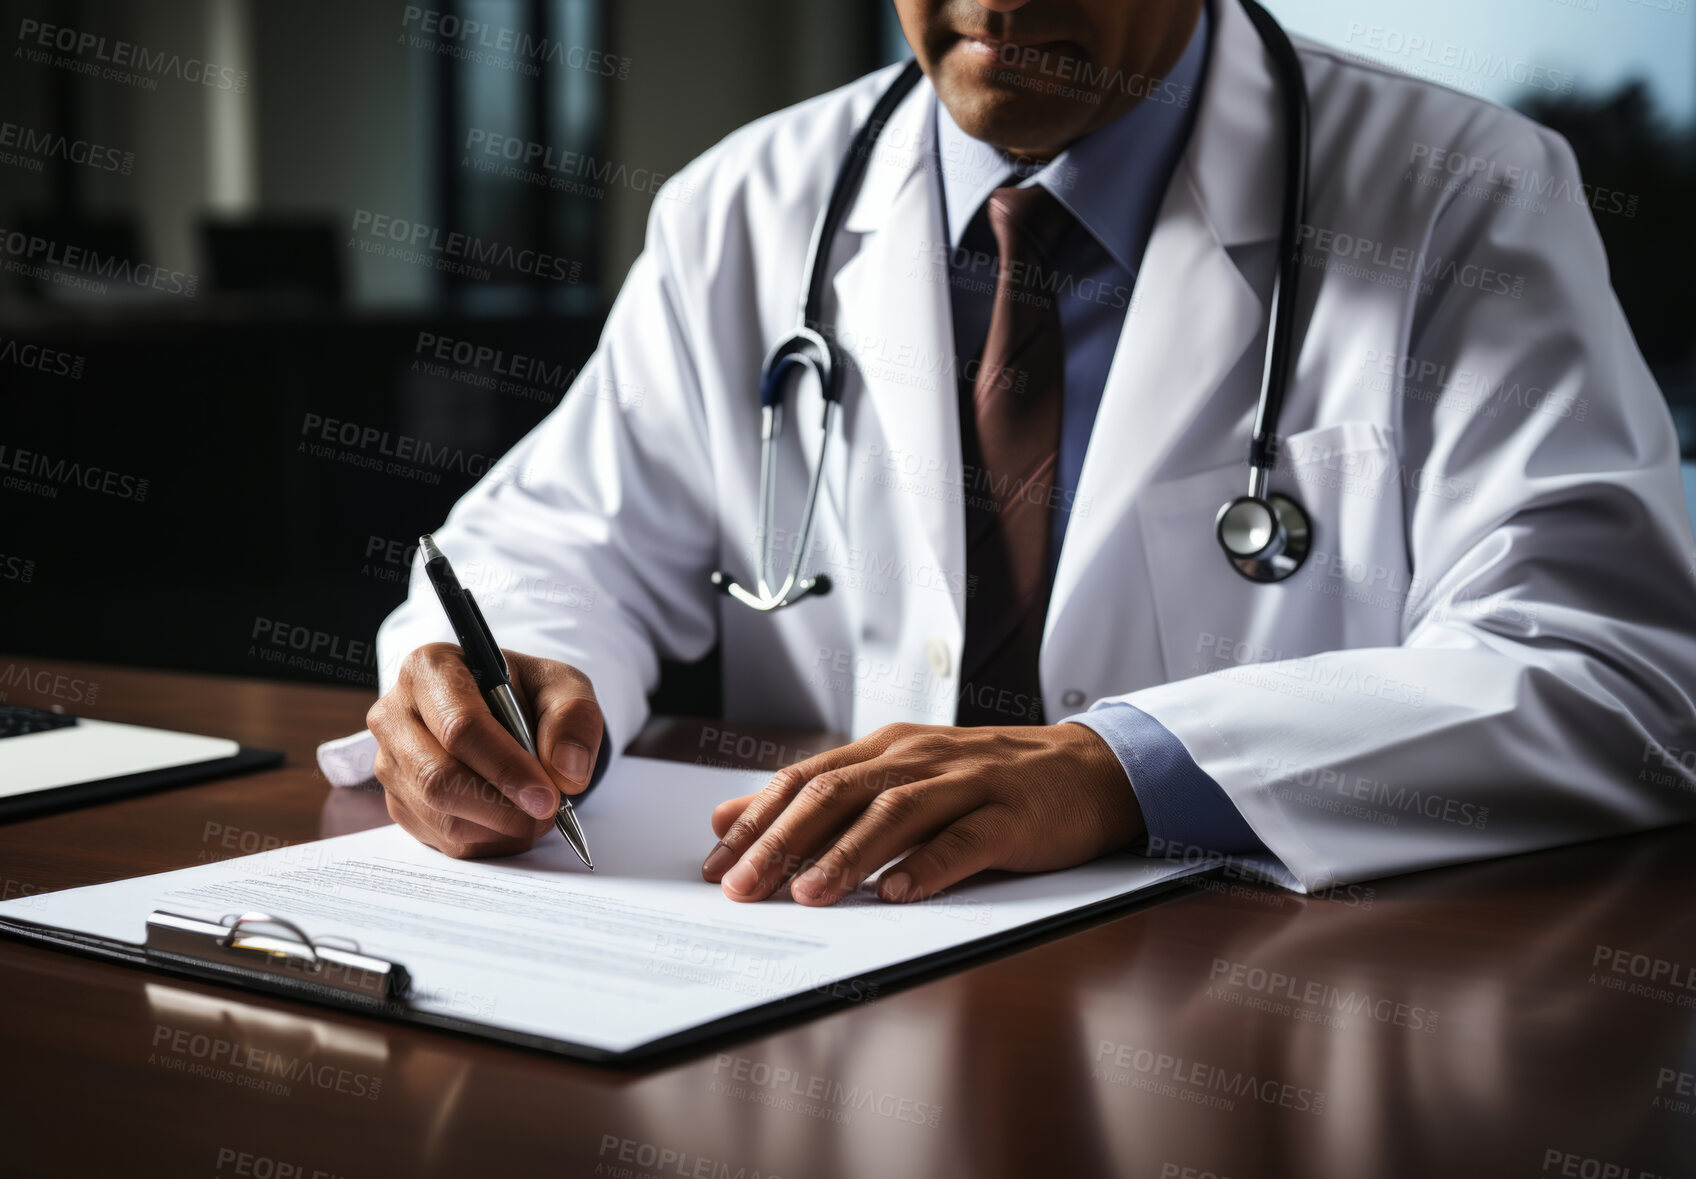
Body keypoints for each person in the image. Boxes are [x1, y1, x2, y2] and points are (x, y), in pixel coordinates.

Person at [324, 0, 1696, 906]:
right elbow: (558, 543)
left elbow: (1611, 674)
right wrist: (514, 680)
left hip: (1252, 1003)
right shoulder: (748, 203)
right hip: (826, 974)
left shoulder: (1458, 191)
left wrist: (1122, 770)